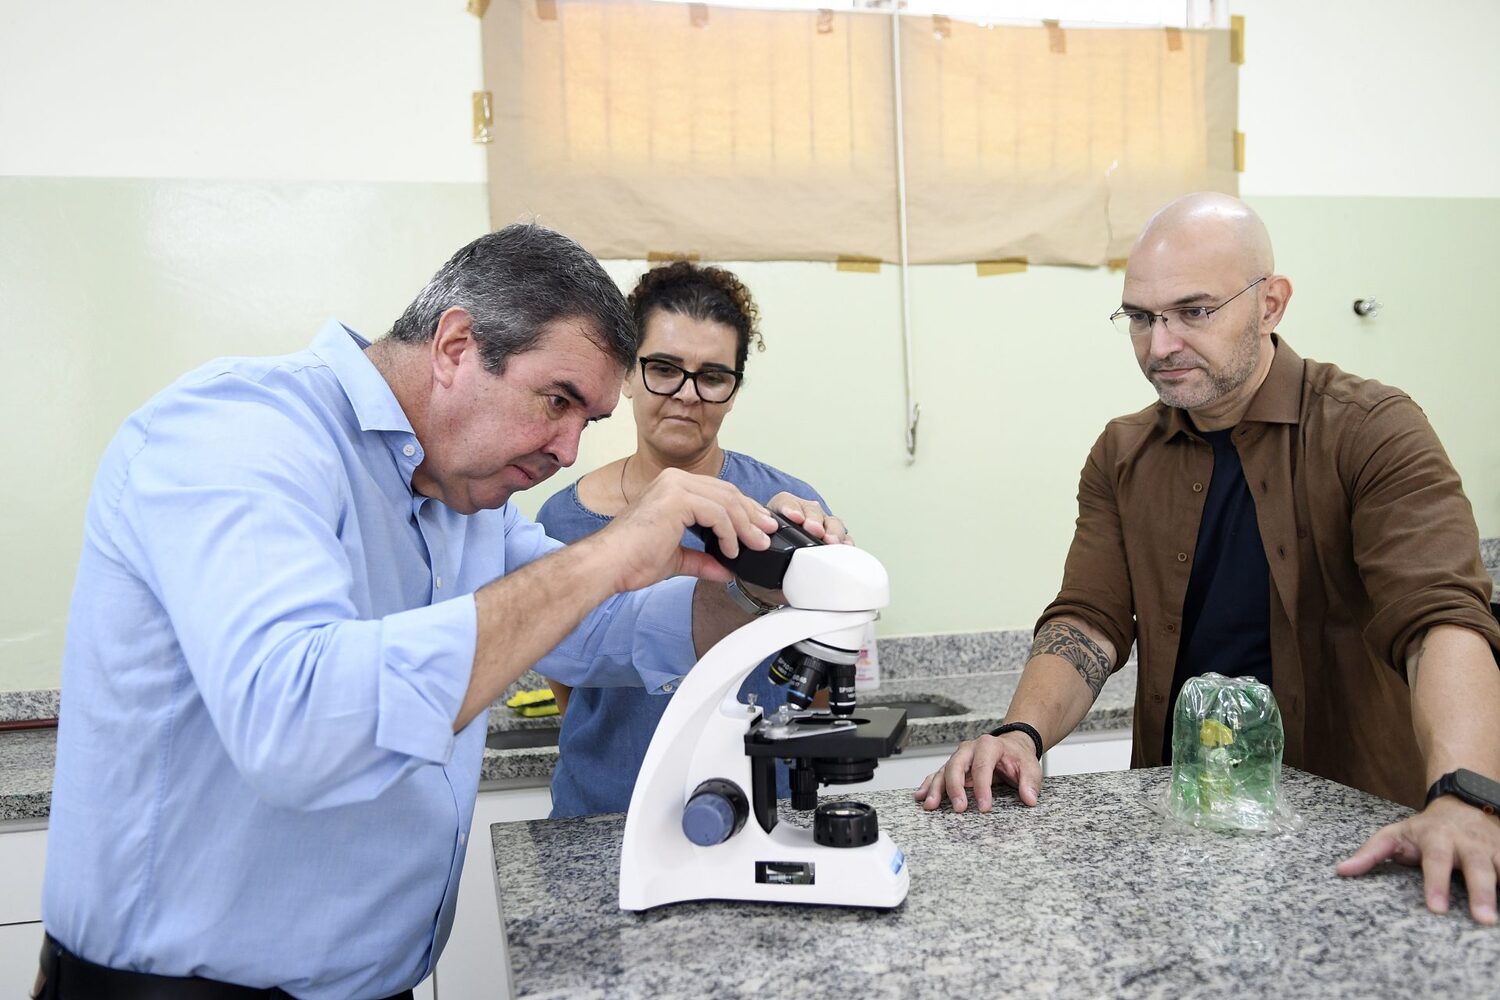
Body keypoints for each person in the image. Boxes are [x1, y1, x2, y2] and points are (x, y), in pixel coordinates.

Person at [38, 225, 840, 999]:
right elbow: (297, 721)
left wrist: (750, 587)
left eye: (586, 421)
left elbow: (598, 631)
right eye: (556, 401)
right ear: (456, 346)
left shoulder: (466, 502)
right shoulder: (242, 434)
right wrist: (609, 551)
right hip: (177, 990)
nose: (567, 451)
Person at [915, 193, 1500, 925]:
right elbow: (1088, 622)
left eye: (1194, 312)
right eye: (1140, 317)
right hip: (1181, 834)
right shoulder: (1122, 453)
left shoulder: (1373, 431)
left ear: (1271, 304)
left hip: (1355, 835)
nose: (1159, 346)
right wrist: (1019, 733)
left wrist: (1469, 794)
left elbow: (1440, 621)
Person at [536, 261, 835, 817]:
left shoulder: (784, 513)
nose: (687, 394)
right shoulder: (561, 519)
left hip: (759, 815)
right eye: (665, 368)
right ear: (626, 373)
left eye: (713, 376)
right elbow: (567, 676)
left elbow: (815, 683)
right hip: (606, 814)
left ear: (733, 390)